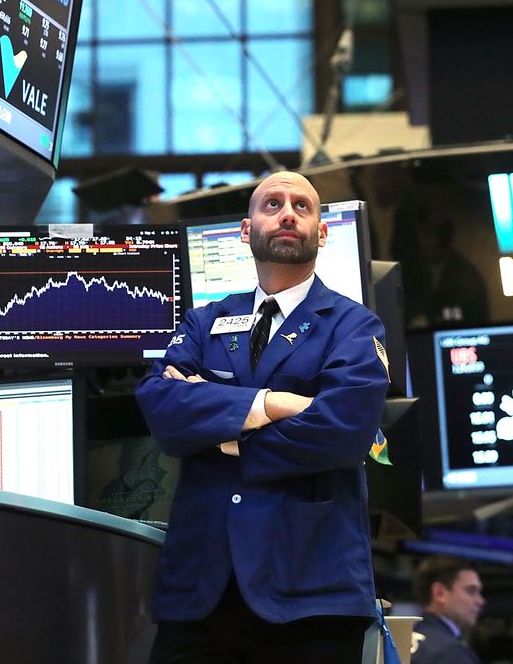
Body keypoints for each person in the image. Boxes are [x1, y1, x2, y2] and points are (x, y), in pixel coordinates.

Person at [136, 171, 391, 663]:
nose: (287, 213)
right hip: (200, 592)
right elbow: (161, 409)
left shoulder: (353, 325)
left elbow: (344, 432)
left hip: (309, 593)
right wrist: (275, 404)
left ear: (321, 232)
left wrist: (218, 428)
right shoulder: (204, 321)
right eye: (271, 204)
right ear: (245, 229)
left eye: (302, 205)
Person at [410, 556, 485, 664]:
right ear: (440, 593)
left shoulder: (398, 643)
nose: (480, 601)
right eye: (471, 591)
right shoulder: (451, 653)